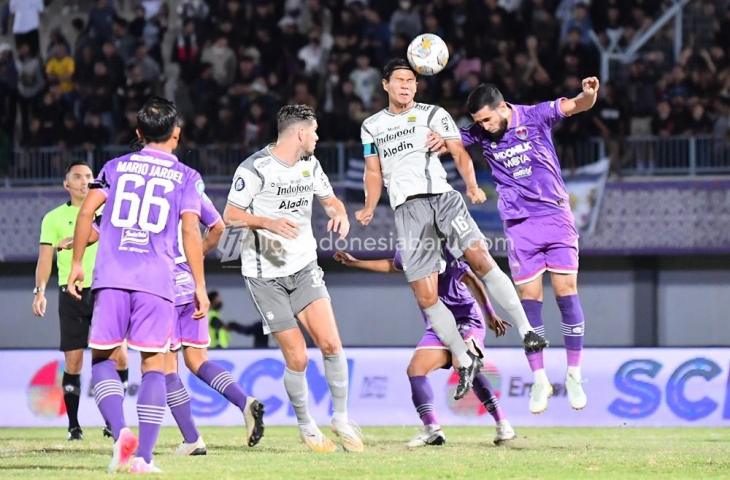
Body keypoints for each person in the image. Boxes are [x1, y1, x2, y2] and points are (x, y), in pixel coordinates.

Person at [356, 59, 547, 401]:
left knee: (480, 260)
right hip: (407, 210)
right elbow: (373, 170)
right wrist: (370, 205)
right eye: (399, 80)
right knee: (426, 297)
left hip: (443, 198)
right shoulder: (371, 126)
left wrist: (472, 186)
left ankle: (527, 330)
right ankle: (463, 357)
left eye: (411, 81)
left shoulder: (433, 114)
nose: (406, 86)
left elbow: (458, 150)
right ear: (385, 84)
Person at [436, 79, 599, 413]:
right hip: (519, 226)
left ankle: (574, 375)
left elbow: (575, 105)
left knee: (567, 291)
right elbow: (450, 145)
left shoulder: (536, 115)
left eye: (486, 120)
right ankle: (539, 380)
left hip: (555, 215)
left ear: (502, 107)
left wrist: (589, 95)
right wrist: (434, 139)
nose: (483, 127)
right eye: (478, 123)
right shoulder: (480, 133)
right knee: (529, 300)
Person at [67, 97, 209, 473]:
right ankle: (144, 457)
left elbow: (85, 212)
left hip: (112, 276)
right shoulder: (187, 177)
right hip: (157, 280)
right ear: (176, 134)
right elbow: (191, 230)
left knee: (101, 359)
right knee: (155, 364)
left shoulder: (114, 167)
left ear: (138, 133)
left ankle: (120, 431)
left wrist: (78, 263)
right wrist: (198, 284)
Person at [223, 104, 363, 453]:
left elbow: (331, 201)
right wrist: (268, 222)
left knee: (332, 344)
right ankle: (306, 426)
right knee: (297, 358)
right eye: (314, 131)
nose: (317, 137)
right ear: (300, 133)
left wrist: (340, 214)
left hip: (303, 267)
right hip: (265, 275)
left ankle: (342, 419)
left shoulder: (310, 165)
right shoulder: (255, 168)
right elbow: (230, 215)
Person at [83, 192, 265, 455]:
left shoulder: (136, 189)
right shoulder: (189, 187)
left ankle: (191, 439)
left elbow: (100, 231)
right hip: (190, 286)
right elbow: (218, 228)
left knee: (165, 368)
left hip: (161, 289)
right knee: (198, 361)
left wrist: (77, 239)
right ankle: (244, 401)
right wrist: (192, 258)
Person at [334, 249, 517, 446]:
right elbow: (392, 265)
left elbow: (472, 279)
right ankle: (432, 429)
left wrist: (490, 314)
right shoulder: (408, 248)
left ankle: (503, 425)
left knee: (463, 365)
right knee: (416, 370)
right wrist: (356, 263)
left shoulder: (441, 247)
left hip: (466, 320)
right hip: (437, 325)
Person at [32, 160, 128, 441]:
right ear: (66, 184)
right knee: (73, 363)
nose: (85, 180)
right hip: (71, 293)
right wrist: (39, 291)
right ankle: (74, 426)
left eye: (89, 175)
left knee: (119, 357)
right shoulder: (52, 218)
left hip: (105, 290)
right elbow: (44, 259)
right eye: (78, 176)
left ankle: (114, 421)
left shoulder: (107, 212)